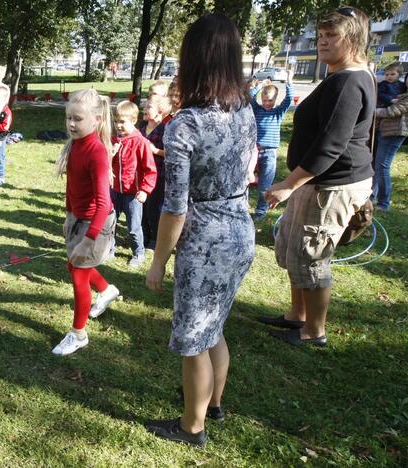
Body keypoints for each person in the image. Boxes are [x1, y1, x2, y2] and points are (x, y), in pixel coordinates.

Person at [144, 14, 256, 447]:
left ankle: (193, 427)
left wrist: (157, 262)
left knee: (193, 339)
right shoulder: (244, 109)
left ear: (192, 58)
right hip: (239, 230)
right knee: (215, 326)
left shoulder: (184, 125)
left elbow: (174, 209)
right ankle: (212, 403)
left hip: (206, 240)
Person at [260, 7, 375, 347]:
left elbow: (331, 146)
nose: (323, 42)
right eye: (321, 36)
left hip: (331, 186)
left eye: (331, 36)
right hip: (316, 182)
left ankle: (314, 331)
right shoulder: (341, 75)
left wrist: (288, 185)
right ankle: (297, 317)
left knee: (312, 255)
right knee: (294, 249)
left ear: (352, 40)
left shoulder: (350, 81)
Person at [51, 88, 119, 356]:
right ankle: (106, 289)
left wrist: (89, 239)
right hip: (79, 219)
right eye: (69, 117)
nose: (71, 124)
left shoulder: (97, 152)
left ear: (98, 119)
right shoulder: (76, 144)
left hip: (96, 223)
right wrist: (69, 215)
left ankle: (78, 334)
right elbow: (72, 186)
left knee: (78, 274)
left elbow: (104, 204)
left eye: (78, 119)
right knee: (74, 265)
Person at [372, 68, 408, 210]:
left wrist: (370, 112)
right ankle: (372, 197)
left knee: (382, 166)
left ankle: (384, 203)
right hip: (387, 131)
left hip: (395, 133)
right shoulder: (407, 93)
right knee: (378, 165)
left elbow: (392, 111)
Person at [110, 100, 157, 267]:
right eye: (116, 121)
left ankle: (138, 253)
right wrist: (111, 154)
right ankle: (109, 250)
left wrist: (145, 189)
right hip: (115, 190)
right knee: (110, 222)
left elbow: (150, 170)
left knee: (133, 227)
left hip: (133, 193)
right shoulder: (114, 140)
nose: (118, 125)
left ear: (134, 120)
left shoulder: (140, 142)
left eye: (122, 121)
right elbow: (106, 163)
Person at [248, 72, 293, 220]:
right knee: (246, 180)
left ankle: (261, 210)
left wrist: (289, 83)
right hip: (255, 151)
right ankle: (241, 206)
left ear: (275, 100)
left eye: (271, 100)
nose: (268, 103)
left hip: (269, 153)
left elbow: (289, 100)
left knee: (264, 184)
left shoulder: (277, 113)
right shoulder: (258, 110)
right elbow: (249, 96)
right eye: (265, 100)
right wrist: (260, 85)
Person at [138, 94, 173, 250]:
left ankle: (155, 239)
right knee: (141, 208)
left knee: (153, 209)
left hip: (158, 175)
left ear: (160, 110)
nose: (144, 109)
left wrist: (155, 150)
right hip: (140, 174)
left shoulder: (165, 129)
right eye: (145, 106)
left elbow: (171, 153)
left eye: (148, 107)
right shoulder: (140, 127)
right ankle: (143, 236)